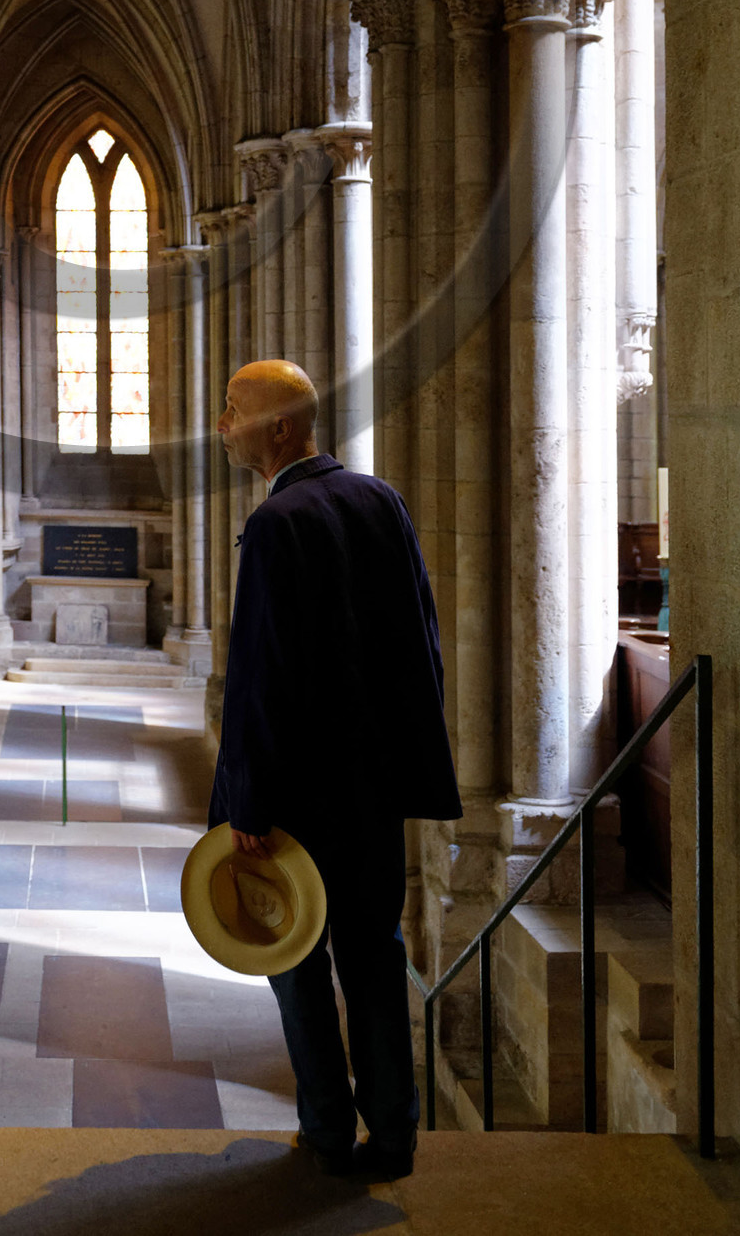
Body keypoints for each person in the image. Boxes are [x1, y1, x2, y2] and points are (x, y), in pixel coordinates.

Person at [211, 358, 460, 1181]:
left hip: (299, 796)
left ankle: (325, 1127)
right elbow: (420, 640)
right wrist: (413, 763)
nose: (222, 426)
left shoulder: (280, 522)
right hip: (375, 788)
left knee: (294, 957)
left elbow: (261, 674)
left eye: (234, 412)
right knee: (375, 952)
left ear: (280, 428)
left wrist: (246, 799)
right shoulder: (379, 498)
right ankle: (394, 1136)